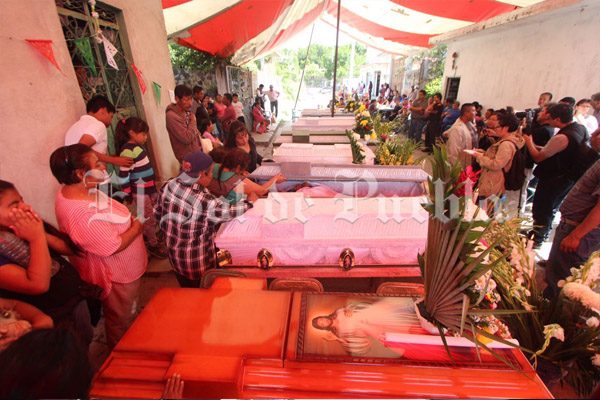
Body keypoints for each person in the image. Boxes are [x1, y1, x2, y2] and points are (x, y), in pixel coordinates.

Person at [50, 144, 147, 348]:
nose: (103, 167)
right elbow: (113, 246)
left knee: (127, 312)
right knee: (120, 319)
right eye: (97, 164)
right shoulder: (82, 214)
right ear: (80, 173)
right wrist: (137, 227)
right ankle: (122, 354)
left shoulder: (78, 189)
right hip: (117, 276)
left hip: (124, 269)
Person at [0, 180, 94, 344]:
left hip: (73, 300)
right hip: (54, 315)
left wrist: (39, 232)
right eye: (14, 205)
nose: (25, 207)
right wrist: (36, 237)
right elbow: (38, 285)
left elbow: (68, 248)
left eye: (21, 200)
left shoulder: (23, 226)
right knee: (70, 351)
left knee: (86, 337)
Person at [154, 151, 256, 288]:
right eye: (211, 172)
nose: (212, 175)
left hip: (175, 259)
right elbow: (229, 212)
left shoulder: (168, 185)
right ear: (202, 174)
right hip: (197, 264)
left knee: (186, 291)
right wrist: (249, 202)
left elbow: (157, 213)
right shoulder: (202, 200)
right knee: (203, 296)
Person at [524, 103, 590, 247]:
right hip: (566, 178)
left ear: (558, 119)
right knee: (551, 207)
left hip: (554, 178)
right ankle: (540, 232)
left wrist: (529, 142)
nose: (548, 121)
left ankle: (537, 238)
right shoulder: (580, 128)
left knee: (543, 207)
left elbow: (538, 158)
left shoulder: (563, 137)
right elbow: (555, 151)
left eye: (550, 118)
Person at [544, 159, 600, 298]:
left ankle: (551, 310)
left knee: (562, 283)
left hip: (579, 231)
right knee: (558, 279)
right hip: (576, 228)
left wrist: (576, 236)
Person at [115, 117, 166, 259]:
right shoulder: (127, 151)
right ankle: (153, 244)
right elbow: (124, 175)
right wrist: (127, 193)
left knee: (153, 213)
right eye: (143, 134)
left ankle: (152, 235)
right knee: (147, 217)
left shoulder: (136, 148)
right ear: (132, 133)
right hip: (140, 191)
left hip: (149, 189)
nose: (146, 137)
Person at [311, 298, 419, 356]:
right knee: (394, 332)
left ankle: (415, 307)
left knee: (392, 313)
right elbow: (352, 343)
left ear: (323, 316)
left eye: (322, 319)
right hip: (369, 328)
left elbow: (353, 307)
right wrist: (336, 339)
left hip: (369, 315)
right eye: (322, 324)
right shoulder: (338, 333)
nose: (324, 321)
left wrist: (349, 309)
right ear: (323, 327)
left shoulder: (337, 312)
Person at [473, 112, 524, 216]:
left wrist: (479, 157)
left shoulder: (506, 144)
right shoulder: (509, 140)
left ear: (506, 128)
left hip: (493, 184)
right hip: (494, 183)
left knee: (484, 214)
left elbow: (496, 164)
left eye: (497, 127)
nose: (495, 129)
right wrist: (484, 153)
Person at [64, 95, 133, 169]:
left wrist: (111, 157)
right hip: (92, 173)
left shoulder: (73, 128)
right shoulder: (98, 125)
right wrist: (114, 160)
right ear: (103, 110)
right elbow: (80, 148)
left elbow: (84, 153)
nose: (110, 122)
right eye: (111, 116)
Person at [207, 148, 285, 203]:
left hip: (217, 202)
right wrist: (275, 179)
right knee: (254, 195)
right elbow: (262, 191)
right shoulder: (237, 181)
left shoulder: (213, 167)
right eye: (243, 168)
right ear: (238, 167)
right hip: (232, 209)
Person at [166, 85, 202, 163]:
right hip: (187, 158)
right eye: (186, 99)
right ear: (177, 99)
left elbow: (194, 132)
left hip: (196, 153)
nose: (190, 103)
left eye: (191, 99)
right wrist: (193, 121)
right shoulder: (171, 116)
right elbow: (187, 138)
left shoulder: (186, 112)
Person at [444, 103, 477, 168]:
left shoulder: (469, 124)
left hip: (468, 159)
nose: (476, 113)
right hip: (459, 165)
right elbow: (453, 152)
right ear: (466, 113)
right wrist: (457, 169)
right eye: (473, 111)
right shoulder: (457, 129)